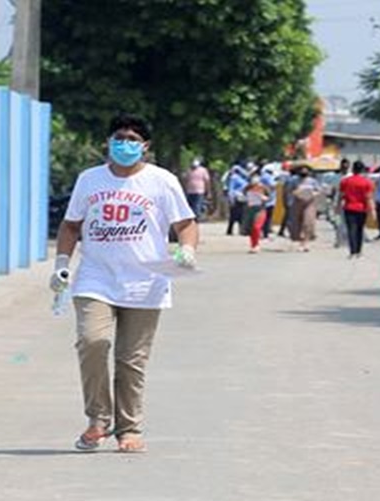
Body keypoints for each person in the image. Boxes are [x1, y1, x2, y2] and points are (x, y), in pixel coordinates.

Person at [49, 113, 199, 453]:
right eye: (119, 137)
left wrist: (186, 250)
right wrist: (61, 264)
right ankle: (97, 419)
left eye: (133, 139)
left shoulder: (162, 181)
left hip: (146, 280)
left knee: (131, 359)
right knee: (93, 341)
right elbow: (71, 225)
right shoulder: (90, 180)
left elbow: (186, 223)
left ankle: (129, 428)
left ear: (145, 146)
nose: (125, 144)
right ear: (108, 142)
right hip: (96, 277)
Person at [339, 161, 376, 259]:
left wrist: (337, 207)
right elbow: (369, 197)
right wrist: (372, 210)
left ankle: (352, 251)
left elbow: (341, 195)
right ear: (363, 170)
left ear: (353, 169)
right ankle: (359, 251)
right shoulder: (367, 182)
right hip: (362, 209)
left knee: (351, 229)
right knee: (360, 230)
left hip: (349, 207)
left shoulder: (345, 181)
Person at [287, 167, 319, 253]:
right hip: (297, 203)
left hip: (309, 203)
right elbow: (289, 191)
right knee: (297, 223)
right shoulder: (294, 180)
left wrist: (313, 194)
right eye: (302, 170)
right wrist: (296, 193)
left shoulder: (313, 181)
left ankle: (305, 242)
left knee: (307, 222)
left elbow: (318, 190)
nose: (304, 172)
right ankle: (299, 240)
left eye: (306, 170)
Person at [244, 173, 270, 254]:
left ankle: (256, 245)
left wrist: (262, 196)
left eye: (257, 184)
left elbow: (267, 198)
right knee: (251, 229)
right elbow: (245, 198)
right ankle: (253, 245)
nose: (256, 186)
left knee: (256, 227)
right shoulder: (247, 190)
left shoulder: (263, 189)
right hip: (250, 210)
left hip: (260, 210)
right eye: (254, 185)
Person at [225, 162, 249, 236]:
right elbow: (231, 189)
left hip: (243, 197)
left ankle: (241, 229)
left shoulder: (243, 178)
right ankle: (230, 230)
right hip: (236, 197)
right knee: (234, 214)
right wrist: (231, 198)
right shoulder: (234, 177)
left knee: (242, 214)